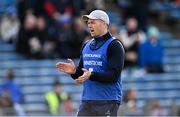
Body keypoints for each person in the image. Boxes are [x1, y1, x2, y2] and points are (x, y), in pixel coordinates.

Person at [56, 10, 125, 116]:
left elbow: (114, 76)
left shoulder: (114, 45)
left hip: (108, 101)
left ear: (104, 24)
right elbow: (82, 73)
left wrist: (91, 75)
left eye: (93, 22)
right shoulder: (86, 45)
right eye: (88, 23)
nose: (89, 25)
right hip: (87, 101)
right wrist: (74, 72)